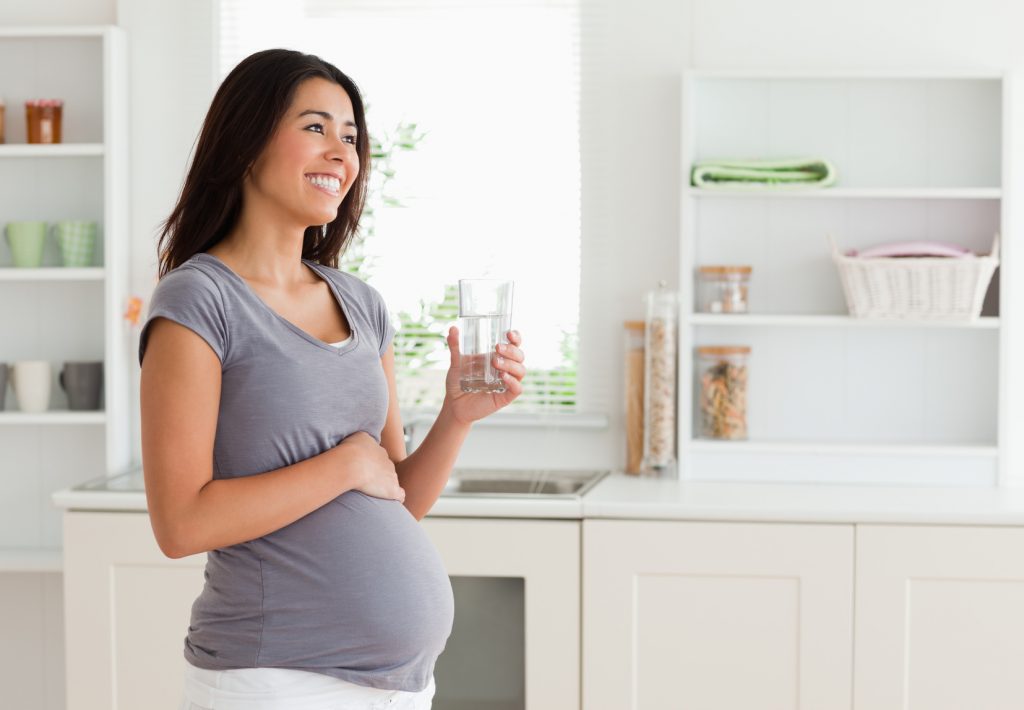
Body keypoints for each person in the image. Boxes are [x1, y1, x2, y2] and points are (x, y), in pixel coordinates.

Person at [137, 48, 526, 710]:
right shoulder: (199, 301)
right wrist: (344, 465)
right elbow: (180, 524)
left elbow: (396, 495)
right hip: (273, 681)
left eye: (350, 137)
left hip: (399, 689)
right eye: (315, 127)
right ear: (248, 142)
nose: (341, 153)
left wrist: (456, 415)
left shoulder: (362, 304)